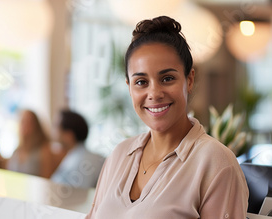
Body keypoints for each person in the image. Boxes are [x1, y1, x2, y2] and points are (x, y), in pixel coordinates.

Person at [86, 16, 248, 218]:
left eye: (167, 78)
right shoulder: (120, 154)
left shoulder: (216, 162)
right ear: (129, 87)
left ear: (189, 80)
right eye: (141, 82)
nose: (154, 93)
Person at [50, 110, 105, 188]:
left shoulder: (84, 161)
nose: (52, 130)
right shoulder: (73, 155)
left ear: (69, 135)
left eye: (55, 126)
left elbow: (77, 195)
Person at [7, 110, 57, 178]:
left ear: (36, 125)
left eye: (28, 122)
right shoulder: (16, 151)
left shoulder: (44, 150)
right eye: (22, 122)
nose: (25, 125)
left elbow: (47, 178)